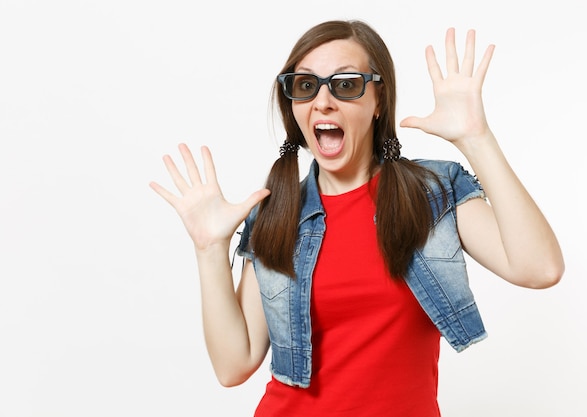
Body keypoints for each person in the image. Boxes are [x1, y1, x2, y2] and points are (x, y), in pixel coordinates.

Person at [149, 19, 564, 417]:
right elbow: (233, 365)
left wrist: (477, 138)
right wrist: (209, 250)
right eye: (306, 86)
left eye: (346, 85)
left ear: (378, 100)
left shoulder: (432, 195)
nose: (323, 101)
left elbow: (540, 268)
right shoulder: (276, 216)